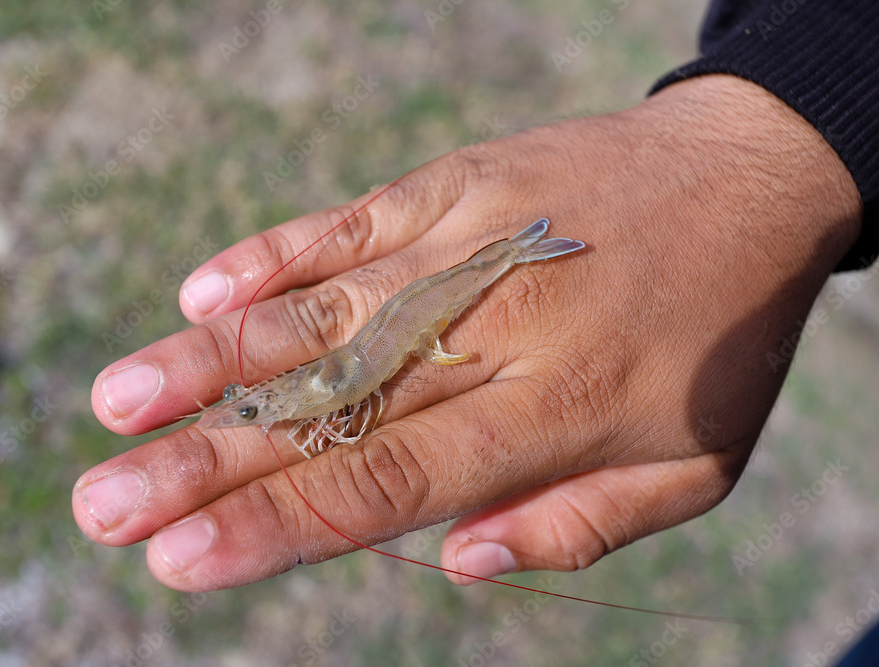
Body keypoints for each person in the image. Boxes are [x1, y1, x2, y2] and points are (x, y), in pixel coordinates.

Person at [73, 0, 876, 625]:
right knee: (356, 369)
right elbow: (331, 389)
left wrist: (770, 154)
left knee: (385, 351)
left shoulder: (331, 391)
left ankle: (509, 253)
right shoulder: (307, 391)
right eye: (254, 405)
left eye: (254, 400)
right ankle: (507, 254)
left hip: (416, 321)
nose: (254, 406)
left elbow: (348, 390)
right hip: (383, 345)